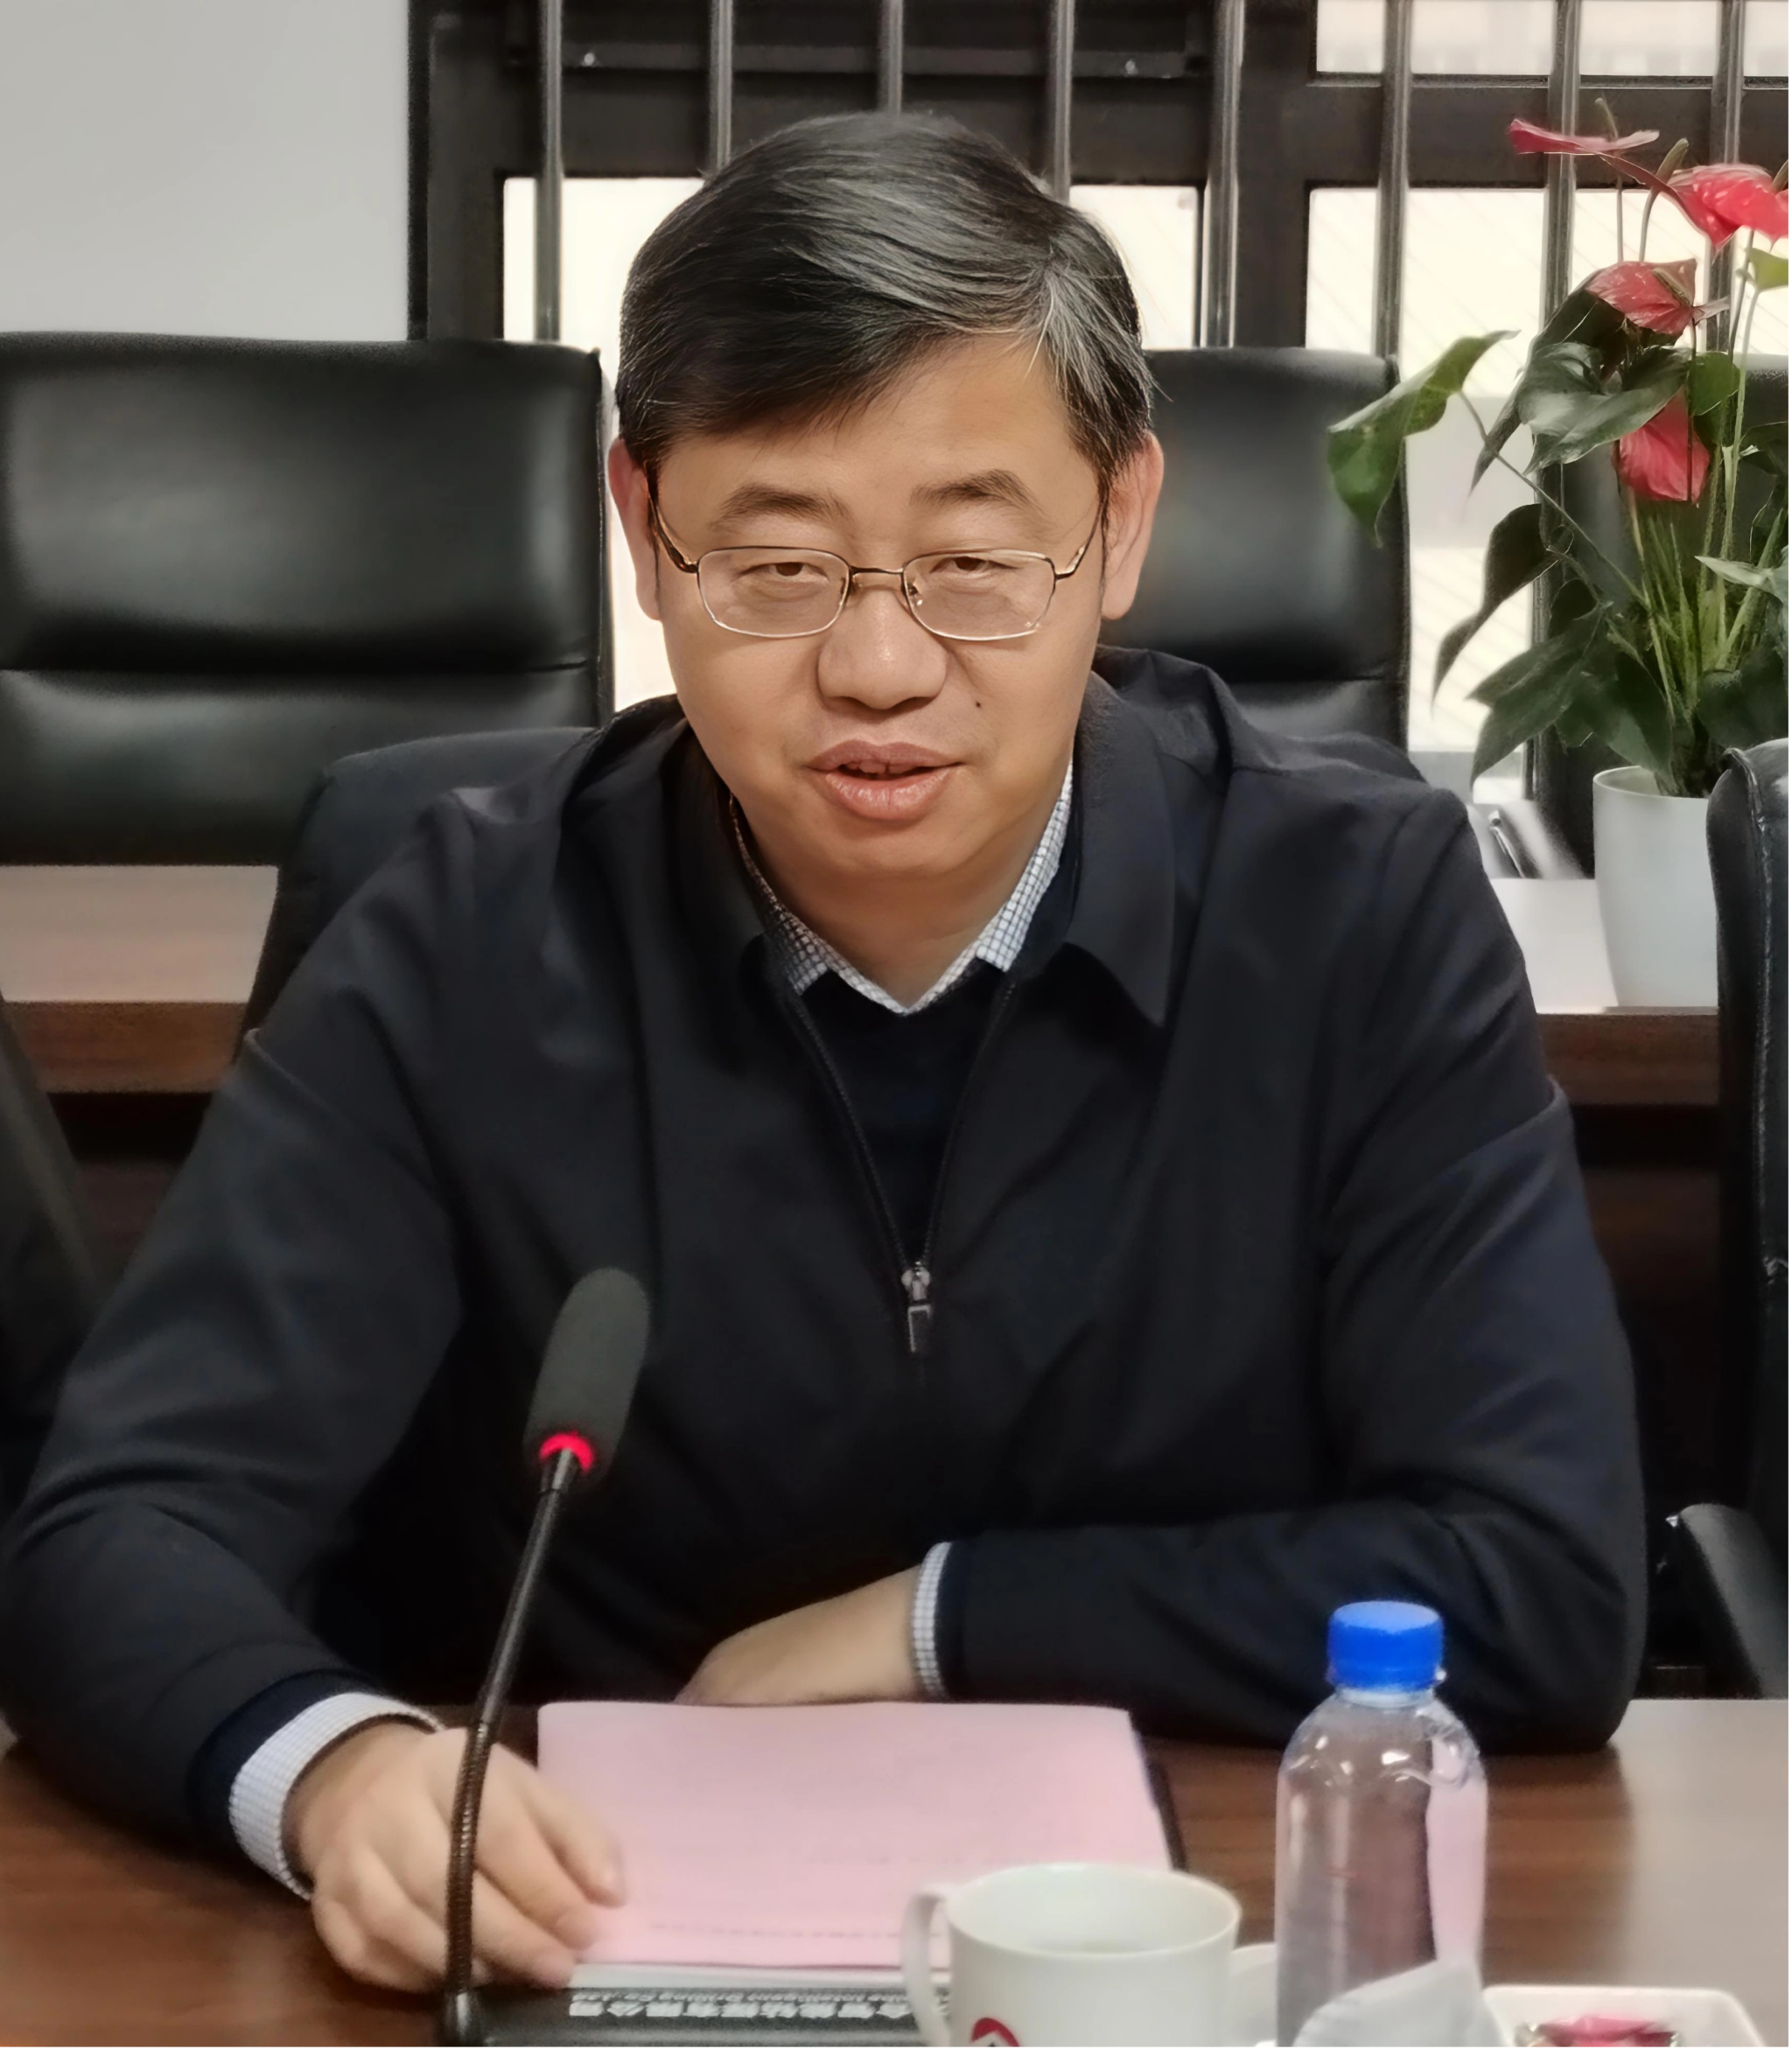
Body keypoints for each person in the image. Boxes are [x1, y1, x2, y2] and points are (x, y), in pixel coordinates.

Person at [0, 112, 1644, 1995]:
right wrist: (337, 1766)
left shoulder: (1354, 910)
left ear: (1120, 526)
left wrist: (941, 1621)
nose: (878, 666)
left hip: (1175, 1963)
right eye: (777, 566)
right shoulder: (461, 927)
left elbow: (1543, 1578)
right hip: (579, 1942)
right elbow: (119, 1529)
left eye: (972, 560)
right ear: (643, 531)